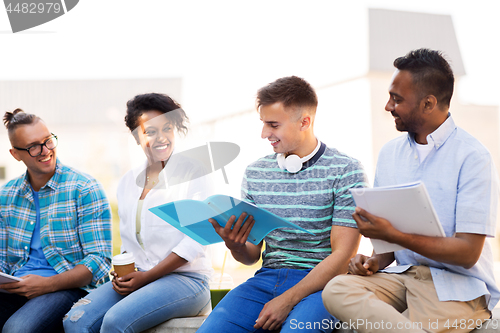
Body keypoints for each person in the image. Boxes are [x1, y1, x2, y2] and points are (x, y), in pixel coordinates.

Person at [322, 48, 500, 333]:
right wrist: (372, 261)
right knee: (337, 289)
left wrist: (394, 235)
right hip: (401, 277)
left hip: (457, 287)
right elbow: (388, 249)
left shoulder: (472, 157)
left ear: (428, 103)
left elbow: (468, 252)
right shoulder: (390, 153)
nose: (388, 106)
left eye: (397, 99)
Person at [198, 76, 368, 333]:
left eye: (273, 125)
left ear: (305, 122)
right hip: (266, 280)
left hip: (324, 284)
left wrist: (287, 300)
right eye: (263, 124)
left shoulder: (346, 170)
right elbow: (251, 255)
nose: (264, 134)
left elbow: (343, 256)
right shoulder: (256, 172)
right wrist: (234, 245)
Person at [63, 93, 213, 333]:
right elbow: (132, 242)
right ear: (136, 136)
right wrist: (124, 271)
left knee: (115, 322)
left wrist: (149, 276)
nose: (161, 137)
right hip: (141, 276)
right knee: (75, 321)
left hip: (187, 281)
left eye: (167, 128)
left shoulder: (194, 173)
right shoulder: (127, 182)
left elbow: (196, 240)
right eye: (150, 131)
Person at [0, 109, 112, 333]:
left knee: (18, 329)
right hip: (16, 288)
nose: (45, 151)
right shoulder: (7, 195)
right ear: (15, 154)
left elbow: (99, 261)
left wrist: (45, 285)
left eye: (48, 141)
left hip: (69, 288)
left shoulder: (84, 188)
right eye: (34, 147)